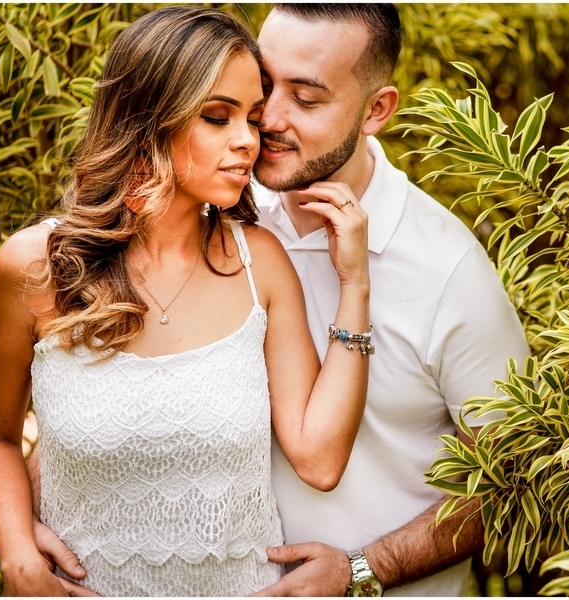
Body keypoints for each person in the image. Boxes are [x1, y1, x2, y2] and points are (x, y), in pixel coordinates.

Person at [34, 3, 530, 596]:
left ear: (377, 110)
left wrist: (365, 568)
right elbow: (105, 399)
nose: (266, 120)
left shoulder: (448, 272)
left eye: (308, 98)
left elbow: (513, 482)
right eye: (264, 87)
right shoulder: (214, 207)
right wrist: (33, 523)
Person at [0, 6, 374, 597]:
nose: (247, 141)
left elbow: (319, 458)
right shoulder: (36, 266)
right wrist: (16, 557)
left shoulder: (261, 264)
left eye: (253, 119)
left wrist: (355, 286)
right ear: (149, 117)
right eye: (217, 116)